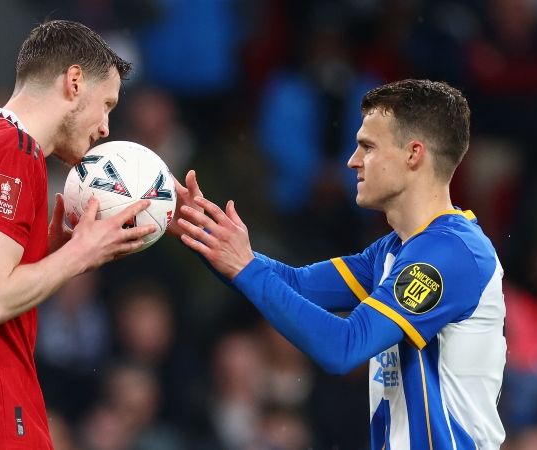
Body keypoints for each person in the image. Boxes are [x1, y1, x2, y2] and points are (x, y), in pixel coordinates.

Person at [0, 20, 193, 449]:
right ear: (75, 82)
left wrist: (46, 253)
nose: (105, 127)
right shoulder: (15, 152)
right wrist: (79, 254)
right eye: (107, 104)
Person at [178, 79, 507, 448]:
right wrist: (201, 234)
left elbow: (345, 347)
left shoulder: (452, 254)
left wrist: (244, 266)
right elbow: (296, 285)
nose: (352, 160)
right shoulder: (394, 251)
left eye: (367, 147)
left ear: (413, 154)